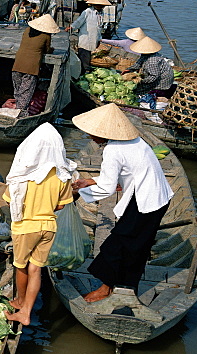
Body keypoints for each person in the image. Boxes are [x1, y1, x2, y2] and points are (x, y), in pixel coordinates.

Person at [70, 103, 173, 303]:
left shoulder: (113, 150)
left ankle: (106, 288)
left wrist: (81, 192)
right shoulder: (134, 140)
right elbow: (124, 173)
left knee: (117, 243)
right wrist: (90, 181)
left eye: (92, 133)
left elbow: (108, 188)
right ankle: (129, 287)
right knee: (138, 246)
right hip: (157, 196)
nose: (90, 137)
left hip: (146, 199)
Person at [1, 123, 76, 325]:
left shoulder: (22, 175)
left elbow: (9, 200)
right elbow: (61, 206)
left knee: (21, 266)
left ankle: (20, 302)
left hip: (25, 228)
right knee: (36, 270)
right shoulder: (62, 175)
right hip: (49, 227)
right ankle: (26, 311)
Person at [11, 14, 59, 118]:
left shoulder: (27, 30)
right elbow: (46, 50)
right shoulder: (46, 36)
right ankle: (20, 116)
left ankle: (15, 113)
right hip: (31, 68)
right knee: (25, 94)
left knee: (18, 92)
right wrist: (52, 50)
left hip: (17, 64)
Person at [127, 37, 174, 109]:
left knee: (138, 90)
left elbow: (153, 77)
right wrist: (129, 69)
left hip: (162, 82)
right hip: (158, 76)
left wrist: (141, 81)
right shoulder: (146, 54)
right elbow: (139, 63)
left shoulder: (152, 61)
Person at [66, 0, 110, 73]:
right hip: (85, 37)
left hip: (94, 38)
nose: (100, 6)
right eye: (98, 4)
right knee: (84, 54)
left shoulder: (101, 14)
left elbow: (99, 28)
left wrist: (99, 39)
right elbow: (79, 22)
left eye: (101, 5)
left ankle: (85, 69)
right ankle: (84, 71)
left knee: (88, 55)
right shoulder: (87, 12)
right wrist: (72, 27)